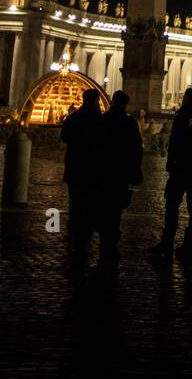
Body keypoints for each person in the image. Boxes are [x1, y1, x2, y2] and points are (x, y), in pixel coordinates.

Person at [83, 89, 144, 265]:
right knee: (115, 212)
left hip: (101, 173)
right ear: (126, 105)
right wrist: (134, 170)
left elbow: (89, 146)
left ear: (111, 102)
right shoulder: (130, 124)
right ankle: (111, 245)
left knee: (101, 207)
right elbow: (137, 150)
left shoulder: (100, 121)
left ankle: (102, 242)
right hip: (120, 175)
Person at [149, 87, 192, 260]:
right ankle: (189, 242)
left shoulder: (182, 117)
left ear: (188, 100)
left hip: (181, 167)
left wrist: (171, 163)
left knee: (172, 205)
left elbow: (175, 142)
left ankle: (167, 242)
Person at [60, 88, 104, 257]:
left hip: (74, 163)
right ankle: (87, 228)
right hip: (93, 165)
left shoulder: (73, 117)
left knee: (75, 198)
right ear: (95, 100)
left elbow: (64, 138)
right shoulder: (99, 119)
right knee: (90, 198)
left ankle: (75, 227)